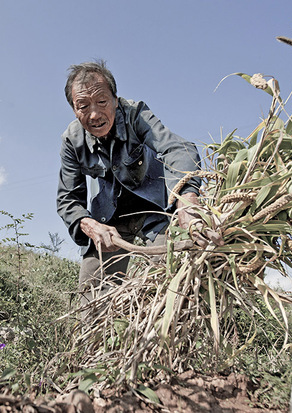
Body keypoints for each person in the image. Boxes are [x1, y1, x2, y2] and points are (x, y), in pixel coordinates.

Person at [56, 60, 202, 306]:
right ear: (74, 109)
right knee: (91, 296)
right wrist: (89, 225)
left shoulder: (135, 113)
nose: (94, 114)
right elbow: (68, 198)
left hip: (156, 211)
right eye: (83, 106)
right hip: (110, 220)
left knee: (176, 282)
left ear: (115, 99)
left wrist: (187, 198)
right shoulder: (72, 140)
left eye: (102, 102)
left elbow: (177, 148)